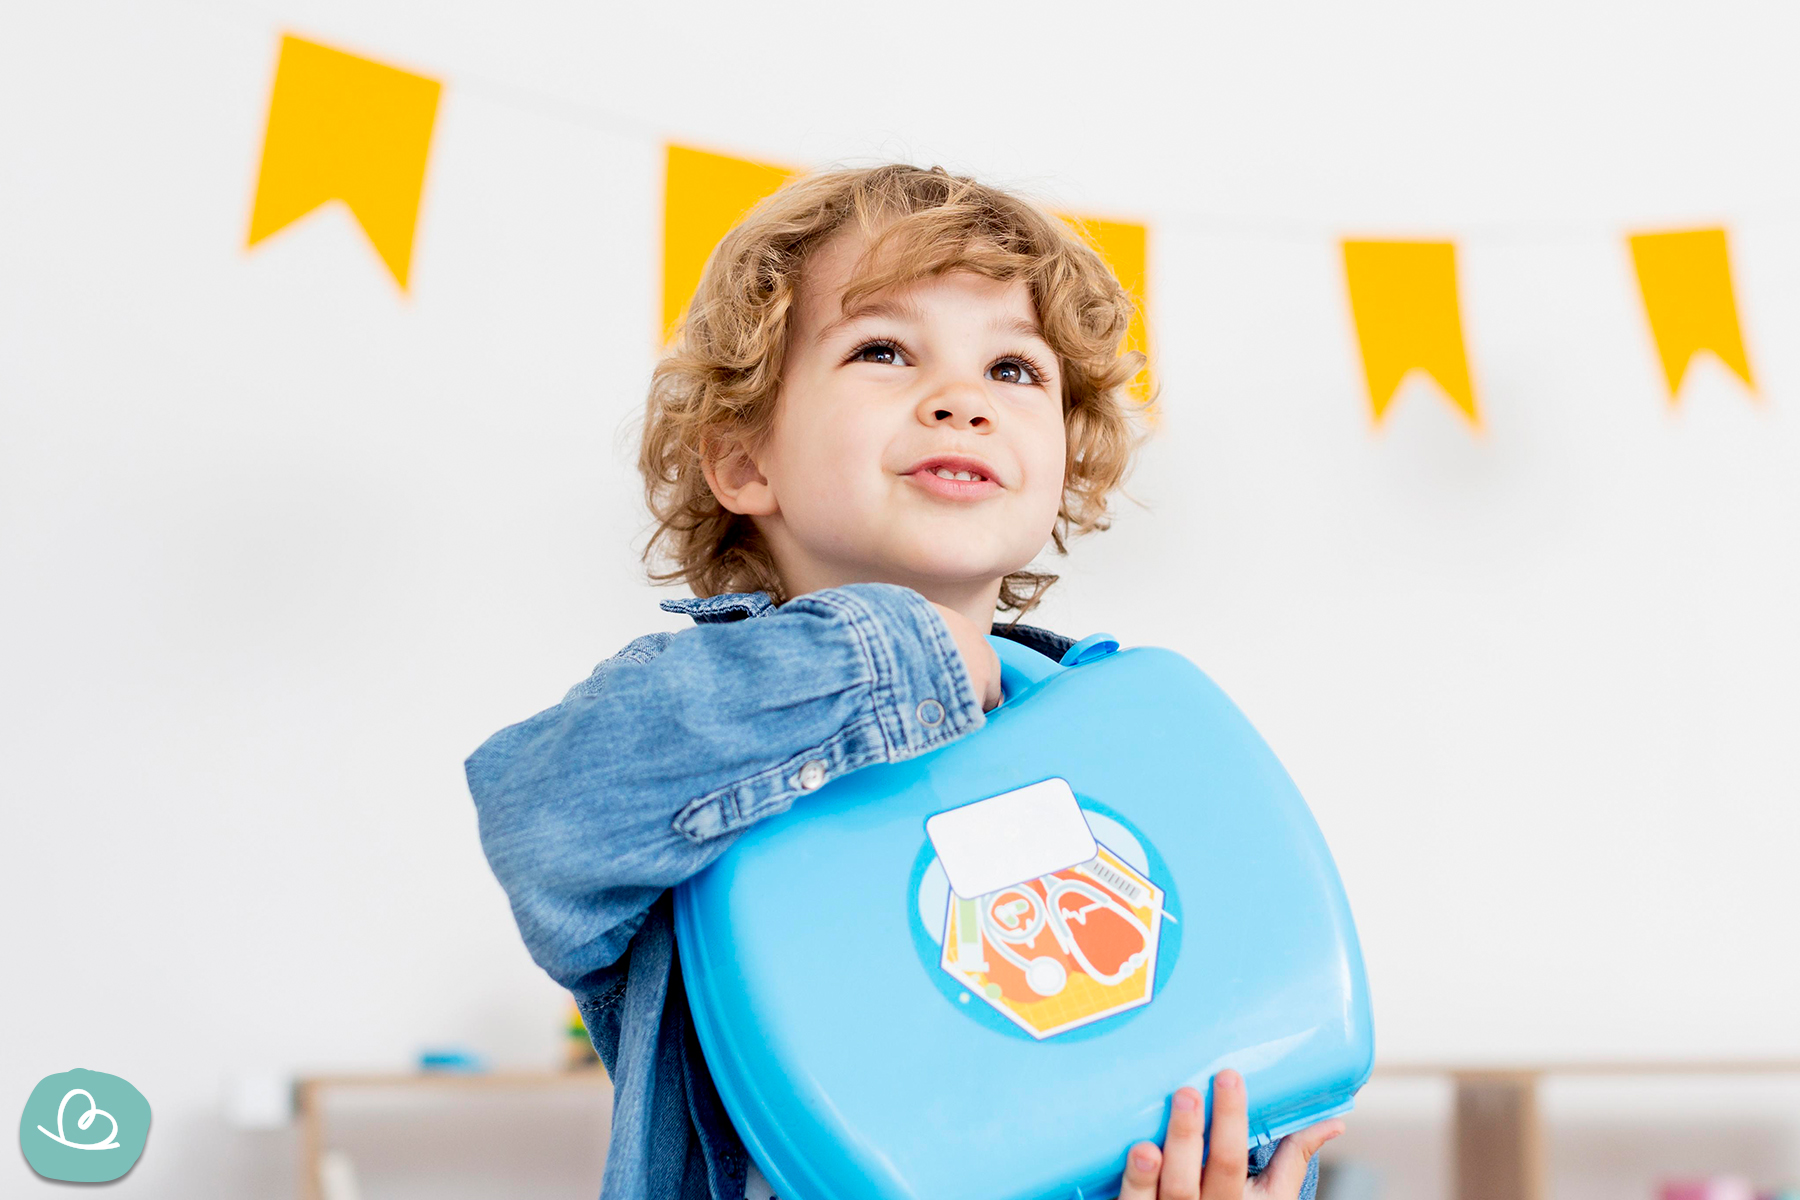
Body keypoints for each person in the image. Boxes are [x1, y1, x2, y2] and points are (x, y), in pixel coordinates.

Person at [465, 164, 1343, 1200]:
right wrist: (890, 656)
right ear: (745, 461)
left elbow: (1155, 1028)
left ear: (1065, 457)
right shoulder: (685, 715)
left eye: (1015, 371)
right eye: (883, 350)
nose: (962, 400)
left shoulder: (1116, 734)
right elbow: (542, 819)